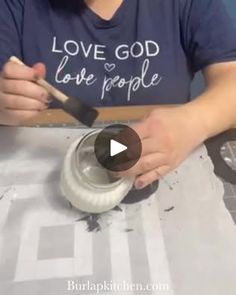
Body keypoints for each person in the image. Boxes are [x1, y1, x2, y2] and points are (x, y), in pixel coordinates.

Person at [0, 0, 236, 189]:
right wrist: (5, 103)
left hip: (164, 174)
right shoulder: (16, 6)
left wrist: (194, 122)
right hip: (52, 172)